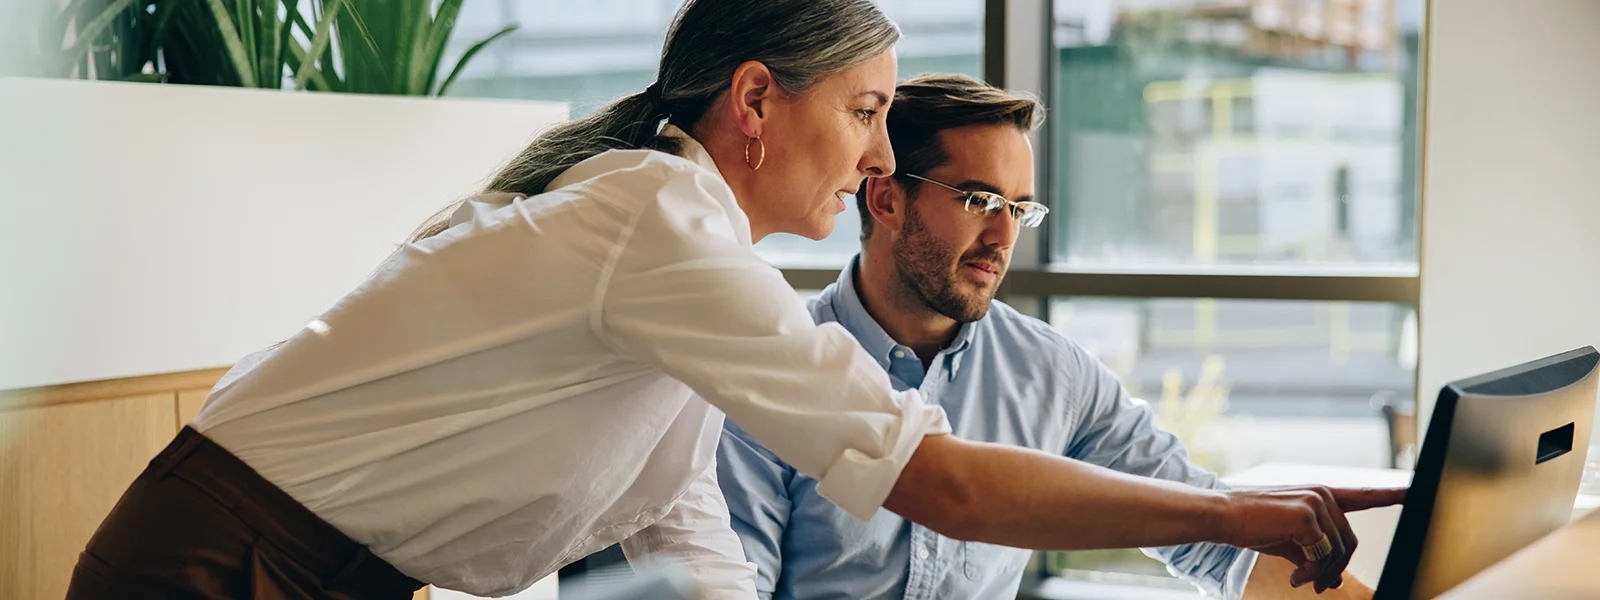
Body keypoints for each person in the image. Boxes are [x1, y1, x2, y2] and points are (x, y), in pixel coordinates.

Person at [66, 2, 1401, 599]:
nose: (883, 159)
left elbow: (675, 515)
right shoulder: (653, 223)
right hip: (216, 565)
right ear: (757, 101)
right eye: (870, 114)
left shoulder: (681, 272)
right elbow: (934, 483)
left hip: (308, 568)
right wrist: (1237, 510)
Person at [716, 73, 1384, 600]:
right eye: (979, 201)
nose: (1003, 239)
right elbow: (733, 583)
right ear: (885, 199)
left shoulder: (1052, 371)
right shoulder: (778, 375)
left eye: (1019, 209)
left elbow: (1209, 537)